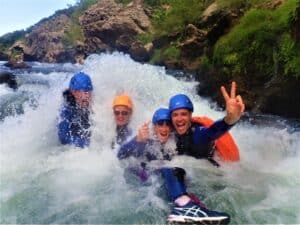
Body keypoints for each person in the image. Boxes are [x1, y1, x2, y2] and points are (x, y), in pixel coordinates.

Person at [118, 108, 230, 224]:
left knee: (180, 174)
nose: (164, 128)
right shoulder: (147, 140)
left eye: (168, 124)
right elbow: (120, 154)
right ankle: (186, 206)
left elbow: (210, 133)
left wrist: (229, 120)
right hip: (144, 176)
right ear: (154, 127)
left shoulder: (176, 141)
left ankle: (187, 212)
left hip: (163, 181)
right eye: (160, 124)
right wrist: (137, 140)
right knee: (170, 169)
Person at [169, 81, 245, 164]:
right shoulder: (169, 129)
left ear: (190, 115)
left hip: (208, 169)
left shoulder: (199, 134)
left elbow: (214, 130)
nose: (179, 119)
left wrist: (230, 119)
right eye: (175, 115)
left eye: (183, 114)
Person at [57, 72, 93, 148]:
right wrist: (87, 143)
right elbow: (63, 138)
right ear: (73, 93)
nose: (87, 96)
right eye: (84, 92)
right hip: (76, 142)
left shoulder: (95, 104)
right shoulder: (66, 110)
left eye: (88, 92)